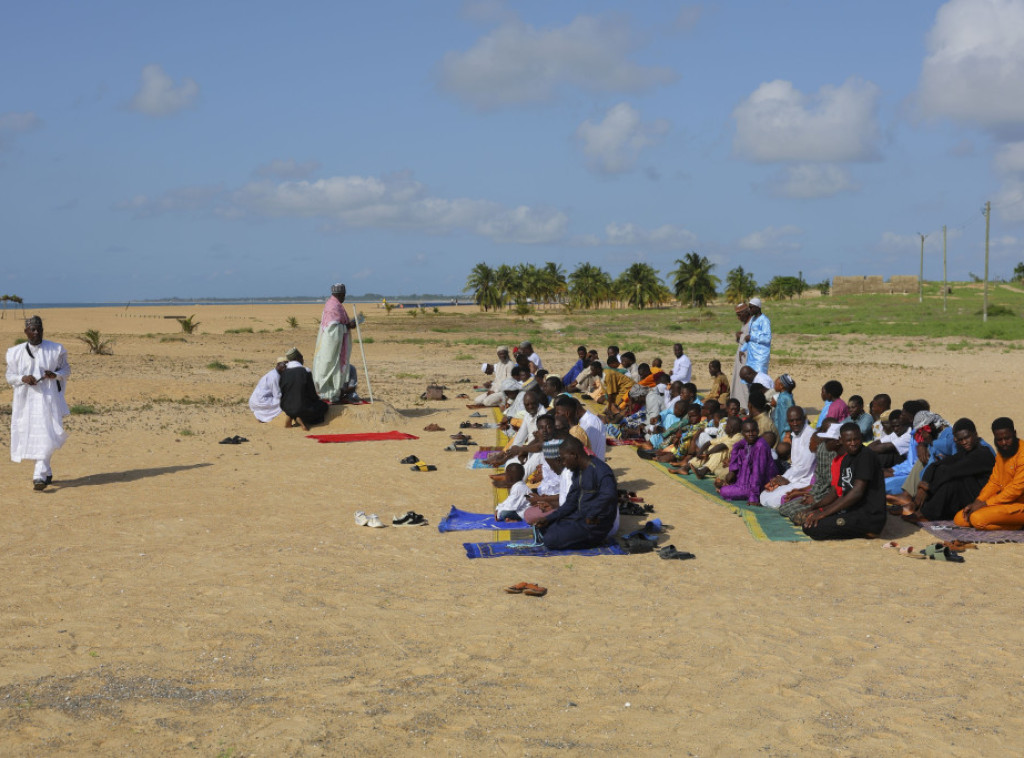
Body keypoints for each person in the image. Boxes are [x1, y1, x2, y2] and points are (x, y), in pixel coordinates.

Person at [6, 316, 70, 490]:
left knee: (47, 434)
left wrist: (54, 375)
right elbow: (9, 377)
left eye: (39, 329)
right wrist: (23, 378)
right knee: (35, 436)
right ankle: (45, 471)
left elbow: (66, 370)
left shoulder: (56, 349)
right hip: (26, 401)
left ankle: (38, 476)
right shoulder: (15, 352)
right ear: (25, 331)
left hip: (48, 399)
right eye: (32, 329)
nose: (36, 332)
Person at [889, 418, 995, 521]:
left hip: (979, 498)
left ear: (975, 434)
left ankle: (925, 512)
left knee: (953, 482)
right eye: (960, 440)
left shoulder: (983, 454)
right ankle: (915, 504)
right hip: (965, 492)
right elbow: (935, 466)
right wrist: (923, 486)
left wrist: (927, 488)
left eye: (967, 438)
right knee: (938, 469)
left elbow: (951, 471)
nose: (964, 442)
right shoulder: (965, 451)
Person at [800, 423, 886, 540]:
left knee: (813, 528)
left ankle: (868, 530)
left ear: (861, 437)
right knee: (809, 522)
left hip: (868, 515)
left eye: (856, 439)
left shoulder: (866, 456)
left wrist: (824, 514)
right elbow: (841, 494)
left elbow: (857, 492)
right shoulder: (846, 459)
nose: (853, 443)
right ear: (841, 440)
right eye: (849, 440)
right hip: (853, 511)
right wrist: (819, 510)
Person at [535, 437, 618, 549]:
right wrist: (549, 518)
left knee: (550, 539)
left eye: (564, 459)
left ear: (574, 455)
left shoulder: (600, 470)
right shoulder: (578, 472)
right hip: (580, 518)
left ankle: (593, 540)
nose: (563, 463)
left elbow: (609, 496)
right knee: (544, 527)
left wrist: (591, 514)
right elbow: (571, 502)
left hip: (595, 524)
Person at [954, 417, 1024, 530]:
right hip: (1003, 503)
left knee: (977, 519)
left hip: (1019, 504)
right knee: (960, 519)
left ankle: (1018, 524)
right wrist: (978, 501)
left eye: (1007, 438)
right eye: (999, 439)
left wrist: (986, 504)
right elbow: (994, 482)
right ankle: (1010, 523)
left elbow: (1016, 490)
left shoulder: (1022, 454)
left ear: (1014, 433)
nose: (1004, 443)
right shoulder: (1002, 453)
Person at [761, 407, 815, 508]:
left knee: (772, 500)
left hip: (805, 481)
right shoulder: (795, 435)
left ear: (804, 418)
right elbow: (795, 466)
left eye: (797, 420)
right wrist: (782, 479)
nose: (795, 423)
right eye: (791, 421)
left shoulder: (810, 436)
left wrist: (786, 480)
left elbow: (803, 467)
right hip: (794, 478)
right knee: (764, 495)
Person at [312, 283, 358, 402]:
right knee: (329, 366)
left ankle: (335, 393)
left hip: (336, 344)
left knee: (335, 367)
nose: (344, 297)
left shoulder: (335, 304)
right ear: (340, 294)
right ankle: (328, 394)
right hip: (330, 346)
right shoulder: (333, 306)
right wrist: (348, 325)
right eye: (343, 295)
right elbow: (331, 329)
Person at [717, 419, 775, 505]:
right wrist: (732, 471)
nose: (751, 434)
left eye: (753, 431)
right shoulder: (747, 441)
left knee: (724, 491)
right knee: (741, 452)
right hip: (747, 482)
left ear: (758, 431)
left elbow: (757, 473)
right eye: (747, 432)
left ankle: (750, 493)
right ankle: (736, 486)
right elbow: (736, 446)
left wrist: (753, 497)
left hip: (761, 484)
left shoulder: (760, 446)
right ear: (742, 433)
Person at [553, 395, 605, 461]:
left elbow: (589, 452)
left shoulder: (588, 424)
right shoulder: (582, 423)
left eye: (558, 413)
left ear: (567, 413)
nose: (556, 416)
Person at [280, 361, 329, 430]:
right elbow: (312, 395)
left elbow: (282, 392)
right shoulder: (305, 371)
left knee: (295, 405)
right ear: (298, 359)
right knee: (323, 406)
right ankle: (301, 418)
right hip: (301, 407)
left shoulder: (283, 373)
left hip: (285, 406)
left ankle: (292, 415)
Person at [249, 357, 288, 422]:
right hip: (260, 401)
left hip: (259, 399)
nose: (286, 368)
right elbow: (277, 395)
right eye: (285, 365)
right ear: (279, 365)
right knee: (284, 403)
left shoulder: (275, 374)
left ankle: (261, 416)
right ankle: (261, 417)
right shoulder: (274, 376)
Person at [740, 296, 772, 373]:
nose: (749, 310)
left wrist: (752, 337)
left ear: (757, 307)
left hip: (761, 357)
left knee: (760, 379)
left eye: (751, 307)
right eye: (749, 307)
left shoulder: (764, 320)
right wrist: (742, 349)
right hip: (752, 356)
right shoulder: (752, 320)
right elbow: (749, 338)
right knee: (750, 378)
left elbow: (767, 338)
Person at [730, 302, 752, 408]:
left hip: (749, 361)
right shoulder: (745, 324)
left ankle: (747, 408)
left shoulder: (753, 323)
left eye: (740, 315)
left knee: (746, 386)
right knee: (738, 385)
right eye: (737, 315)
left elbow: (754, 340)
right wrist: (739, 337)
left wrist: (741, 336)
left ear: (747, 312)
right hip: (741, 360)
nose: (738, 318)